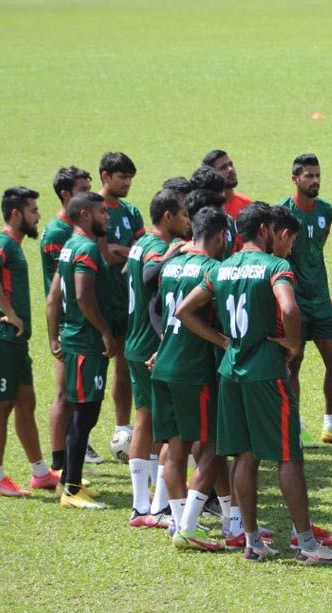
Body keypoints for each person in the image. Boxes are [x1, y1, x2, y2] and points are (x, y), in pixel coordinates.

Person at [176, 202, 332, 564]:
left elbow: (184, 311)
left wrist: (223, 341)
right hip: (266, 372)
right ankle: (306, 543)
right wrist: (293, 343)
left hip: (231, 371)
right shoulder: (276, 267)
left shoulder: (223, 269)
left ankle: (252, 540)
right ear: (265, 230)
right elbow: (289, 308)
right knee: (288, 456)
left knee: (245, 455)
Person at [149, 207, 230, 551]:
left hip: (164, 363)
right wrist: (223, 341)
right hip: (192, 367)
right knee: (212, 447)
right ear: (220, 236)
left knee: (175, 446)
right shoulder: (213, 269)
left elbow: (159, 310)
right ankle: (190, 525)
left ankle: (178, 522)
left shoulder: (170, 265)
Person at [0, 186, 55, 496]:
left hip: (15, 342)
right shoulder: (3, 243)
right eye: (33, 211)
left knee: (26, 403)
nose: (38, 217)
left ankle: (40, 473)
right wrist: (9, 312)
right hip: (1, 338)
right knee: (2, 407)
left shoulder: (13, 245)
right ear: (16, 214)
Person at [45, 192, 116, 509]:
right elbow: (84, 295)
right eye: (103, 212)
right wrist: (105, 332)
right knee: (85, 415)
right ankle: (72, 489)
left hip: (72, 340)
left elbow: (52, 297)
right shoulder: (86, 247)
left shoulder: (70, 246)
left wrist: (53, 338)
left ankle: (66, 481)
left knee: (81, 413)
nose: (108, 217)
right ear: (85, 215)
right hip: (86, 343)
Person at [124, 189, 190, 528]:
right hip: (152, 348)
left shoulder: (138, 244)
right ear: (168, 217)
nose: (187, 220)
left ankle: (141, 505)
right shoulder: (154, 248)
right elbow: (151, 276)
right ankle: (157, 508)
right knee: (168, 430)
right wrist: (171, 256)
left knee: (144, 419)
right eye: (182, 214)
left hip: (134, 343)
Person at [280, 154, 332, 445]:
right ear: (295, 178)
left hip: (321, 299)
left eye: (318, 175)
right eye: (309, 175)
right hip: (294, 300)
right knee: (294, 360)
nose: (315, 181)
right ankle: (295, 426)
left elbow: (317, 246)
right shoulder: (283, 212)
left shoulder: (327, 210)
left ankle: (330, 425)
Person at [42, 167, 98, 470]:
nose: (89, 193)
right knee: (65, 394)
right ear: (66, 194)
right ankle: (59, 465)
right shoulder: (58, 234)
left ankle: (71, 454)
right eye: (82, 188)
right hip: (69, 324)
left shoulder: (79, 231)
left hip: (75, 322)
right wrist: (55, 334)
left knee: (77, 394)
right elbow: (60, 288)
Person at [98, 152, 144, 448]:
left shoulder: (131, 212)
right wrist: (122, 252)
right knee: (95, 373)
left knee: (125, 367)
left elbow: (139, 253)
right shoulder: (94, 209)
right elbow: (102, 255)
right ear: (105, 176)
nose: (127, 183)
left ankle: (122, 427)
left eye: (129, 178)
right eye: (121, 177)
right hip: (100, 302)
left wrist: (120, 250)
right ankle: (82, 439)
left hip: (127, 301)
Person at [202, 149, 253, 222]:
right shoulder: (206, 210)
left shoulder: (246, 204)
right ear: (211, 175)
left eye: (231, 164)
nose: (230, 169)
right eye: (223, 167)